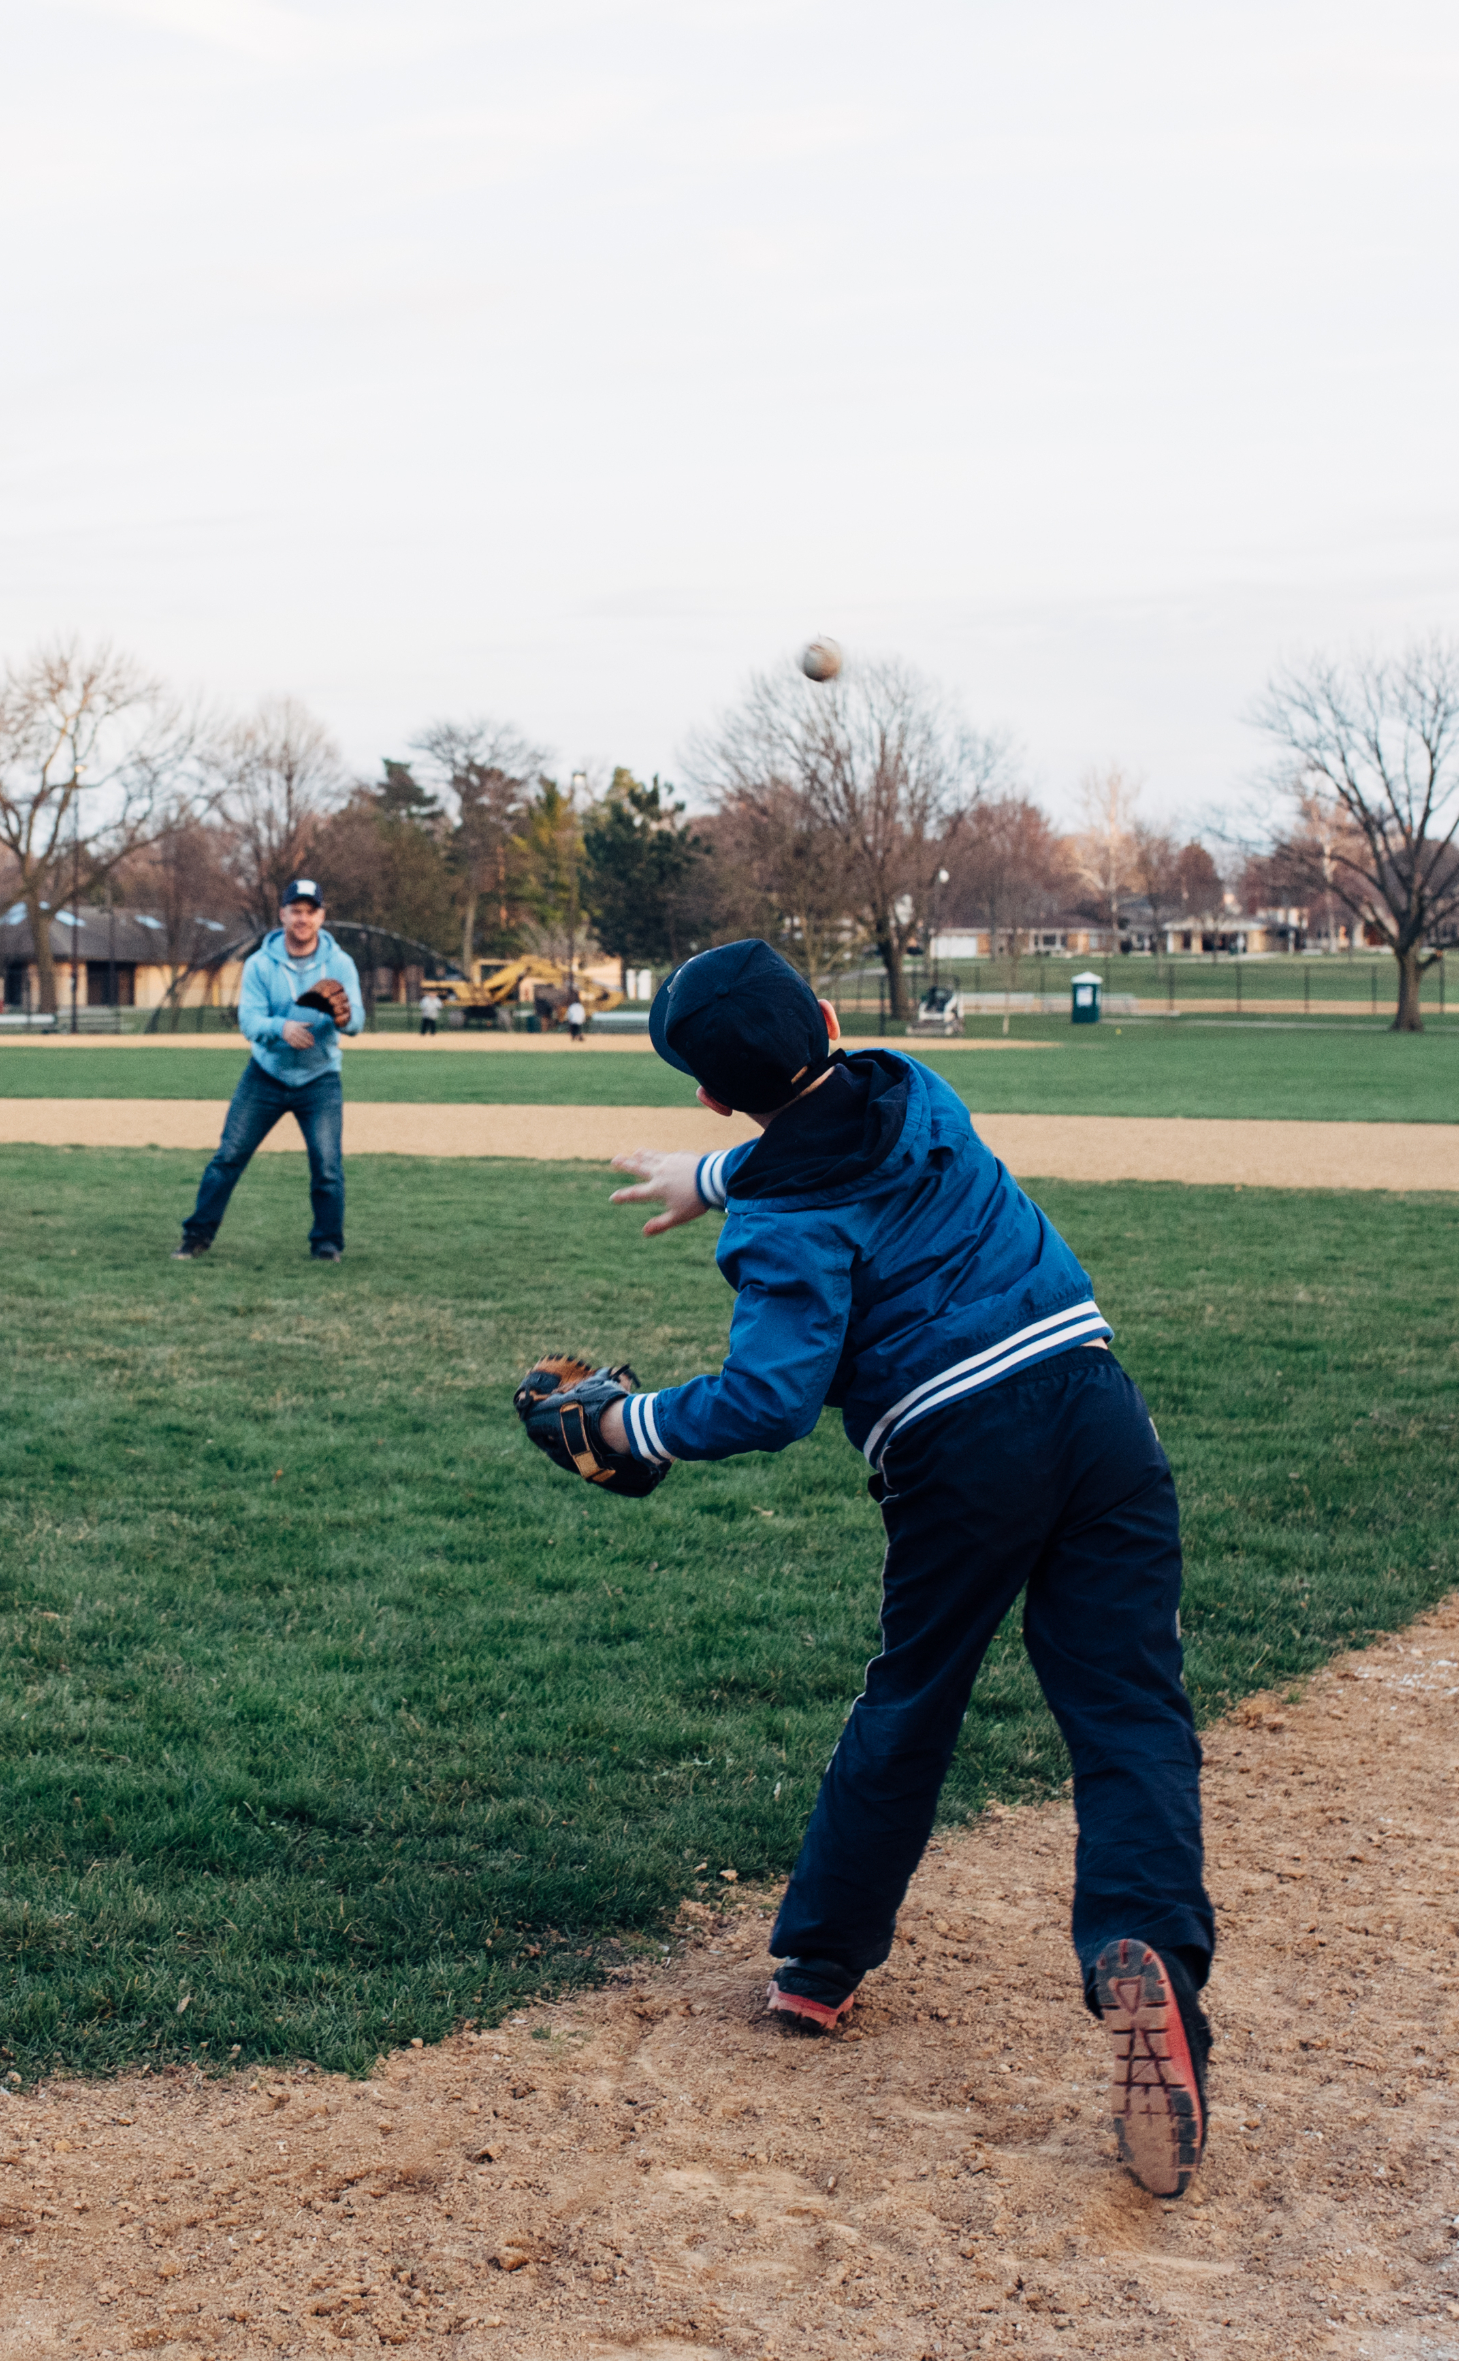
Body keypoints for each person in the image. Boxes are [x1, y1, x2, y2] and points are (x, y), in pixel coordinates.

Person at [514, 937, 1215, 2200]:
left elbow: (774, 1398)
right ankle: (1140, 1947)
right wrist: (716, 1179)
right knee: (1130, 1715)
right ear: (831, 1017)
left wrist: (627, 1426)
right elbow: (832, 1130)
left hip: (961, 1450)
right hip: (1096, 1408)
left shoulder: (782, 1216)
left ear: (713, 1095)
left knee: (913, 1698)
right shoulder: (912, 1083)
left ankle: (817, 1970)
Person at [176, 879, 365, 1262]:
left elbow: (357, 1020)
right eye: (295, 910)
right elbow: (249, 1021)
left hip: (320, 1078)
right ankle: (196, 1237)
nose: (303, 918)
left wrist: (345, 1018)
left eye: (310, 911)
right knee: (228, 1156)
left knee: (327, 1166)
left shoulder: (340, 964)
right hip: (265, 1076)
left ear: (321, 917)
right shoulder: (260, 964)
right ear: (282, 915)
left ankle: (327, 1245)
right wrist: (282, 1028)